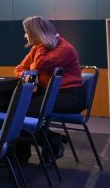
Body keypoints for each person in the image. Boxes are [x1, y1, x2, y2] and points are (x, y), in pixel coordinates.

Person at [15, 15, 86, 160]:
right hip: (48, 94)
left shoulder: (64, 48)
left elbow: (41, 64)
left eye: (27, 32)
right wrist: (29, 74)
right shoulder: (36, 48)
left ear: (37, 33)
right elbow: (19, 69)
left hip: (69, 96)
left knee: (21, 110)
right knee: (14, 106)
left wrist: (41, 45)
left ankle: (50, 142)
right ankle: (29, 151)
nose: (25, 36)